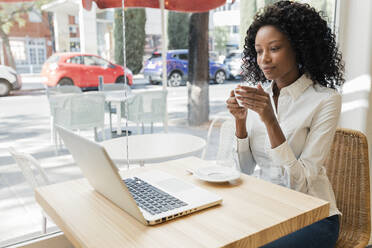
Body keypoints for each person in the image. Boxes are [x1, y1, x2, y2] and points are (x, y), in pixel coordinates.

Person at [226, 1, 344, 247]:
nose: (264, 59)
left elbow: (300, 182)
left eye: (274, 48)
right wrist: (240, 123)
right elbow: (244, 170)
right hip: (268, 207)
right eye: (258, 51)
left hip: (314, 216)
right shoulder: (261, 95)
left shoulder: (325, 100)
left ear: (299, 48)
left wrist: (270, 121)